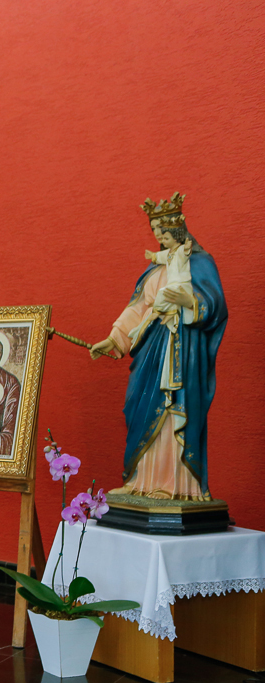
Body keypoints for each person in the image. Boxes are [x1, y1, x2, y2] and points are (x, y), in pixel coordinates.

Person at [90, 193, 227, 499]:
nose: (159, 239)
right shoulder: (155, 270)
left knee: (173, 411)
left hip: (182, 350)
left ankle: (176, 487)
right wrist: (114, 338)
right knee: (138, 407)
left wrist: (190, 302)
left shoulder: (200, 262)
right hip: (152, 349)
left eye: (163, 233)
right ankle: (140, 482)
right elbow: (138, 308)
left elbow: (216, 305)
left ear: (178, 229)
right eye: (155, 233)